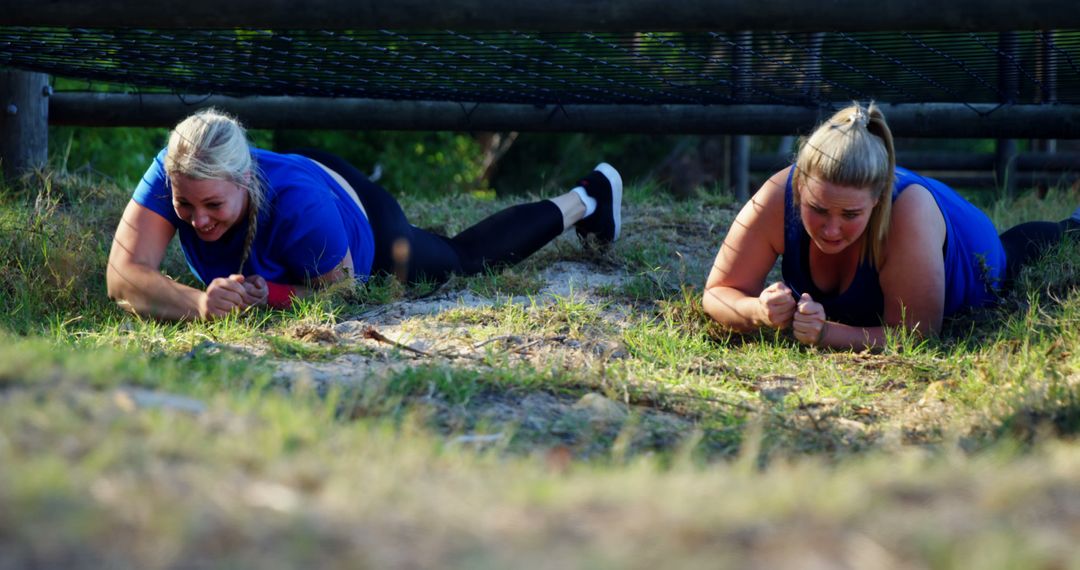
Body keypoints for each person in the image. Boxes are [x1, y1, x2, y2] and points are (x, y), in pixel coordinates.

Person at [107, 108, 623, 320]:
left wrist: (275, 295)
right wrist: (200, 303)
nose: (197, 220)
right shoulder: (176, 166)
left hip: (358, 221)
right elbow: (123, 277)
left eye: (213, 206)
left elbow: (345, 290)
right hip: (307, 188)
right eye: (184, 205)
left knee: (456, 259)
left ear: (244, 180)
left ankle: (588, 198)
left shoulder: (299, 209)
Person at [703, 102, 1079, 350]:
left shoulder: (906, 214)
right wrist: (757, 311)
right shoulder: (776, 195)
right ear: (800, 188)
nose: (832, 229)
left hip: (991, 261)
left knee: (1053, 240)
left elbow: (917, 334)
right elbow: (718, 291)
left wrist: (825, 333)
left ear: (879, 200)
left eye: (850, 215)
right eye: (818, 209)